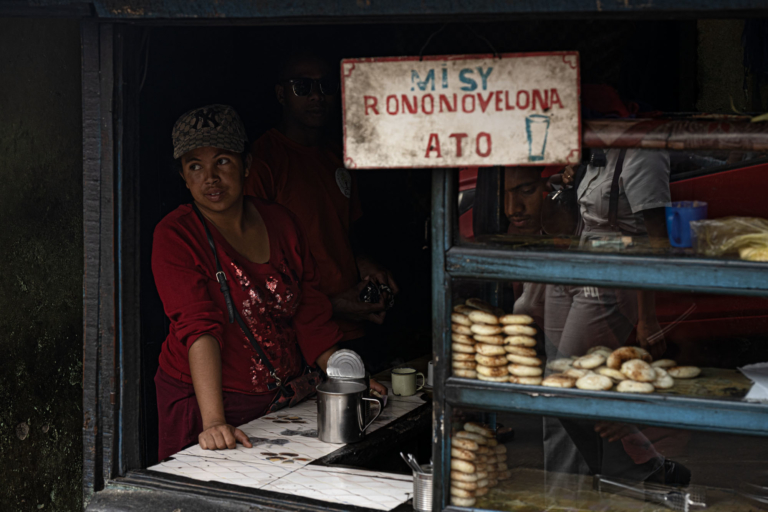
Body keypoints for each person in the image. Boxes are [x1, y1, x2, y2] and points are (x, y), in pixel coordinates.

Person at [152, 104, 385, 461]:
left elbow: (308, 311)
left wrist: (349, 377)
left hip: (280, 397)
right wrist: (214, 422)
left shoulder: (282, 223)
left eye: (223, 161)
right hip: (204, 400)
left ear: (247, 165)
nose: (210, 178)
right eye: (195, 166)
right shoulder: (177, 235)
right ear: (183, 176)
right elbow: (199, 329)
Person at [245, 53, 398, 371]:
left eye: (326, 85)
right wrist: (332, 305)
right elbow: (253, 271)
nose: (317, 96)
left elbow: (343, 231)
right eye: (302, 86)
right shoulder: (263, 162)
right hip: (298, 335)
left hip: (353, 322)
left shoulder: (337, 156)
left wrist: (364, 262)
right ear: (281, 94)